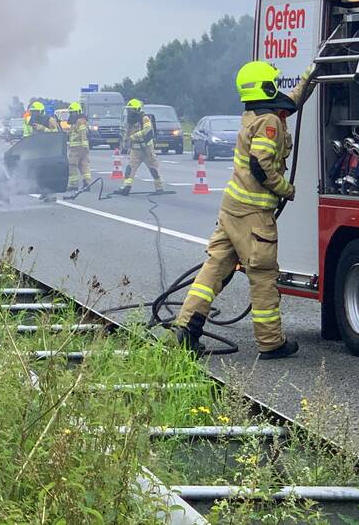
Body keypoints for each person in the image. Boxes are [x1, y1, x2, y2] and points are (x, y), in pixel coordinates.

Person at [172, 61, 315, 359]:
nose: (276, 84)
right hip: (253, 215)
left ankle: (186, 329)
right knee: (263, 276)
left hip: (232, 210)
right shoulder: (270, 123)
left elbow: (292, 101)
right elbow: (260, 165)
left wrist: (310, 75)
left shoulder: (255, 114)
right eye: (272, 81)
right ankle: (271, 342)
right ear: (265, 86)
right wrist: (286, 189)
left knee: (214, 270)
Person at [116, 98, 163, 195]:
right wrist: (125, 141)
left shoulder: (144, 118)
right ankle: (126, 187)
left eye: (131, 110)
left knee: (153, 168)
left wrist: (134, 136)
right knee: (130, 168)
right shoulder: (130, 120)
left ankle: (159, 188)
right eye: (128, 110)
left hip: (147, 149)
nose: (129, 112)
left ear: (137, 109)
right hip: (135, 149)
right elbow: (128, 132)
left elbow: (147, 130)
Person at [66, 101, 92, 191]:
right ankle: (87, 183)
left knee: (72, 165)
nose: (71, 114)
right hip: (81, 148)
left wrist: (84, 145)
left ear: (77, 112)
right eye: (71, 113)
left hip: (76, 148)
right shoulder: (78, 121)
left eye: (73, 112)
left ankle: (73, 185)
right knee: (83, 165)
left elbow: (83, 133)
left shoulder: (80, 121)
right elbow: (74, 133)